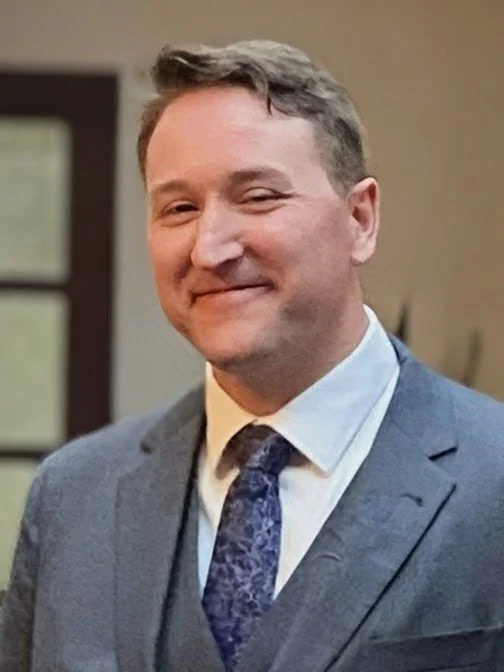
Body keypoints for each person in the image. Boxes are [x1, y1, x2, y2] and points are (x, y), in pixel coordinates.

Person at [1, 39, 504, 672]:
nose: (209, 248)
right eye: (179, 208)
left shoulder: (494, 478)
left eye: (259, 196)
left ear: (360, 220)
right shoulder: (73, 498)